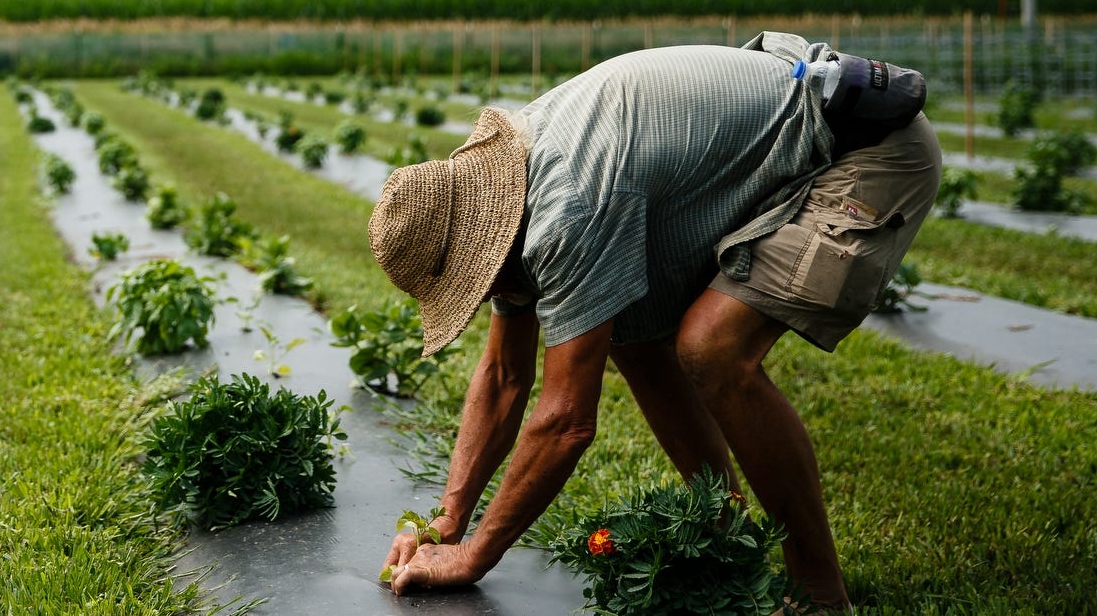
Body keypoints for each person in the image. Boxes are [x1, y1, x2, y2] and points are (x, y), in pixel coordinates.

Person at [370, 34, 940, 612]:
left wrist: (474, 555)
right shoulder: (507, 186)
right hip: (795, 143)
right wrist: (444, 526)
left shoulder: (566, 203)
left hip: (866, 151)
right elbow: (502, 375)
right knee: (630, 332)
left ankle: (818, 589)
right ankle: (726, 542)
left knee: (713, 349)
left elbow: (565, 420)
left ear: (488, 239)